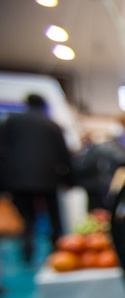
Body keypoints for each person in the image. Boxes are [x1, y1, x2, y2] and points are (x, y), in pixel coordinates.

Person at [0, 94, 71, 264]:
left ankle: (27, 250)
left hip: (18, 180)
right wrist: (68, 180)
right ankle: (58, 248)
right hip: (48, 177)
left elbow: (2, 152)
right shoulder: (51, 125)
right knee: (54, 215)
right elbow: (64, 155)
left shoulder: (11, 123)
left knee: (26, 216)